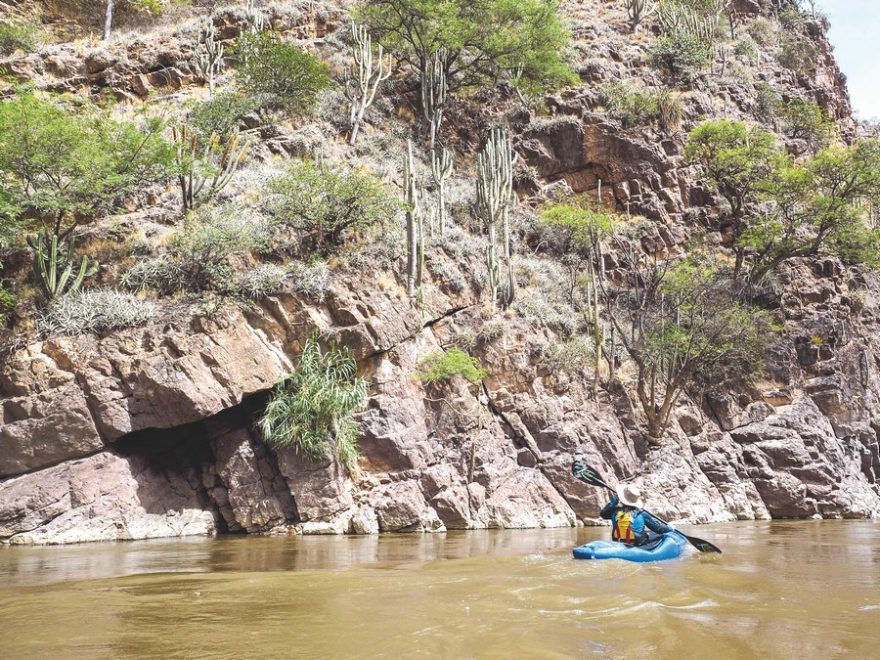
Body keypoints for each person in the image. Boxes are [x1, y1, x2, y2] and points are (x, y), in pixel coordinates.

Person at [600, 484, 673, 547]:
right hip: (637, 543)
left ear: (621, 498)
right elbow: (658, 528)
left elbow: (603, 515)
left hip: (617, 541)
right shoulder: (642, 513)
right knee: (652, 534)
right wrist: (669, 528)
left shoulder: (614, 511)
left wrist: (614, 501)